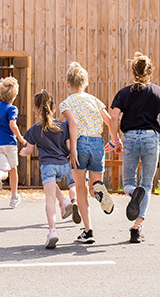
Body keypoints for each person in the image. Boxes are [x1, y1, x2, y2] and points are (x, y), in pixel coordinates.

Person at [109, 52, 160, 243]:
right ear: (150, 73)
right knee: (146, 184)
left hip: (130, 138)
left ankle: (131, 193)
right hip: (150, 138)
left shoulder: (123, 93)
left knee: (129, 181)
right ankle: (137, 228)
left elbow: (114, 117)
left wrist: (115, 140)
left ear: (133, 74)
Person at [59, 62, 114, 244]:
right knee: (95, 184)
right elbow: (109, 119)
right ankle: (100, 192)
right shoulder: (94, 100)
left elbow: (73, 124)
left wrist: (73, 149)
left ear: (68, 84)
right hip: (98, 142)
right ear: (86, 83)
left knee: (81, 189)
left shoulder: (66, 103)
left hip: (80, 143)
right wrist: (114, 140)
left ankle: (88, 231)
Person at [20, 90, 80, 249]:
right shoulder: (62, 126)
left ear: (36, 110)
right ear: (53, 107)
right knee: (56, 185)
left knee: (49, 200)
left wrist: (23, 151)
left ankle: (53, 231)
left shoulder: (34, 129)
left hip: (48, 166)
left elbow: (29, 150)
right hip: (64, 165)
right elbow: (68, 147)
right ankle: (65, 201)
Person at [0, 77, 26, 208]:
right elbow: (12, 125)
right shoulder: (12, 109)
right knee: (13, 169)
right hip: (9, 143)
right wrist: (21, 138)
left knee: (3, 169)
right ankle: (14, 196)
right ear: (15, 95)